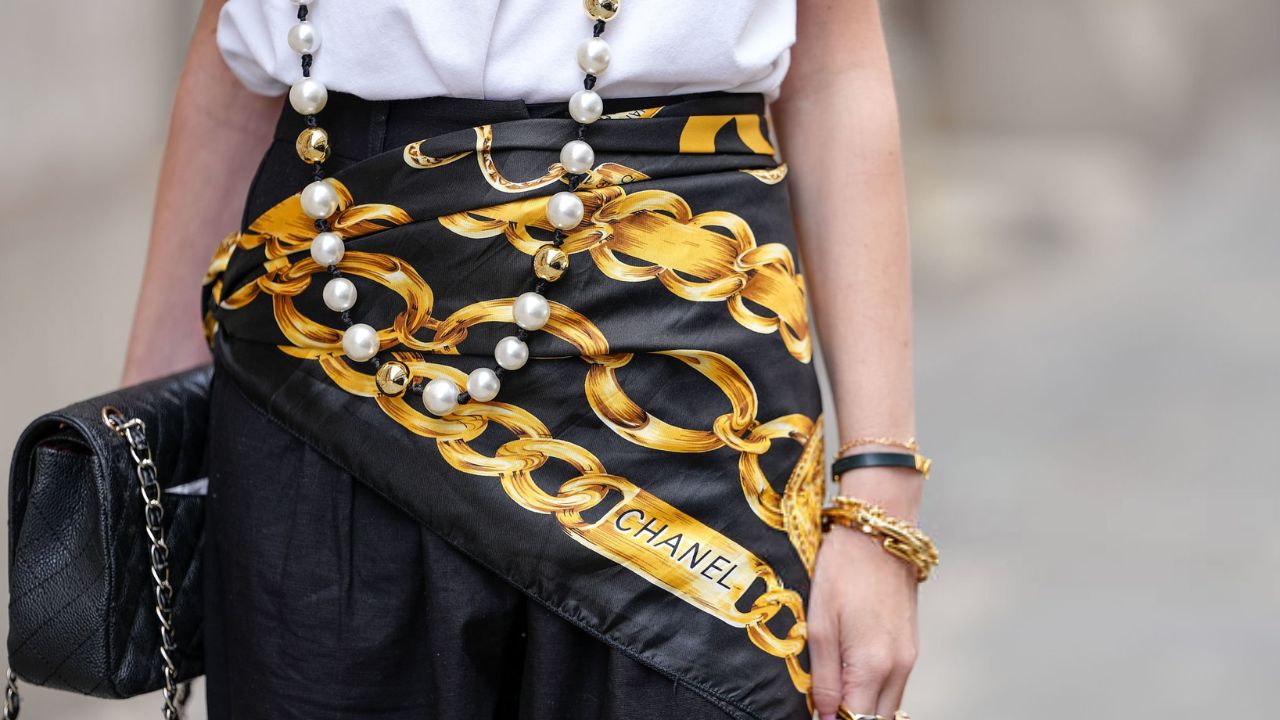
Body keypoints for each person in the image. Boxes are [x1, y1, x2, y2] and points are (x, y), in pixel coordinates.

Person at [122, 1, 926, 718]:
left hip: (679, 345)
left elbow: (833, 66)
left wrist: (879, 499)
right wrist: (141, 464)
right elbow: (229, 61)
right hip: (324, 348)